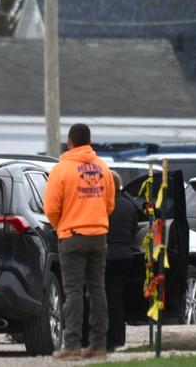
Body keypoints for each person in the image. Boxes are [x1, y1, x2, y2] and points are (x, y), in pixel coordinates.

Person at [44, 123, 116, 362]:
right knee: (97, 289)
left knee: (73, 291)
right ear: (89, 141)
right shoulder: (103, 169)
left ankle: (72, 344)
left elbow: (51, 208)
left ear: (70, 141)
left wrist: (61, 224)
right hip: (98, 236)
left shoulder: (62, 170)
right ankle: (99, 346)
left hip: (72, 236)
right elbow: (109, 204)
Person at [103, 171, 139, 352]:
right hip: (124, 257)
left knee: (98, 298)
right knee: (116, 299)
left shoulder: (100, 206)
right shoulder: (129, 206)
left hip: (103, 257)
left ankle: (99, 338)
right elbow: (134, 232)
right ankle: (117, 340)